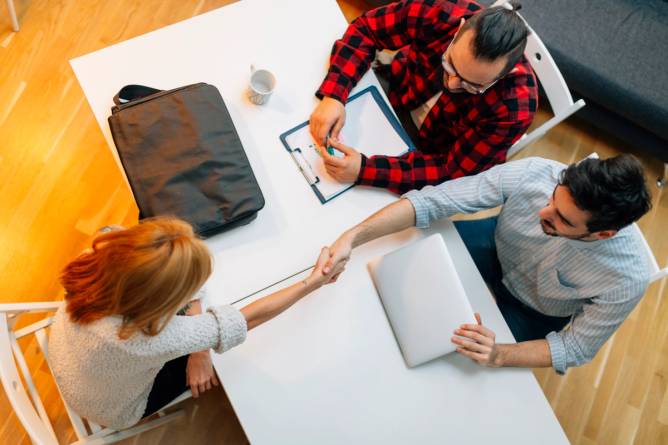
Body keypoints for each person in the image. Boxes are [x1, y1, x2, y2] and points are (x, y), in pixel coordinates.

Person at [323, 155, 652, 374]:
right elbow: (435, 200)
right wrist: (352, 237)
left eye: (562, 220)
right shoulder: (536, 172)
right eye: (553, 198)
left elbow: (575, 346)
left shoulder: (628, 277)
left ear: (604, 234)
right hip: (493, 243)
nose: (543, 212)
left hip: (534, 310)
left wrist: (500, 354)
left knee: (453, 366)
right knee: (396, 273)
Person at [48, 217, 344, 429]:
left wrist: (198, 344)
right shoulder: (147, 339)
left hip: (62, 347)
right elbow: (247, 319)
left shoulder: (103, 251)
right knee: (225, 365)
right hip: (108, 406)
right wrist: (312, 283)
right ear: (163, 298)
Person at [310, 0, 538, 194]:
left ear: (505, 74)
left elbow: (452, 171)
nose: (452, 83)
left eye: (472, 84)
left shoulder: (515, 107)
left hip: (427, 152)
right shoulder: (440, 10)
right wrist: (335, 95)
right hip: (395, 87)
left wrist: (365, 171)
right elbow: (367, 29)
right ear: (458, 30)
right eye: (450, 65)